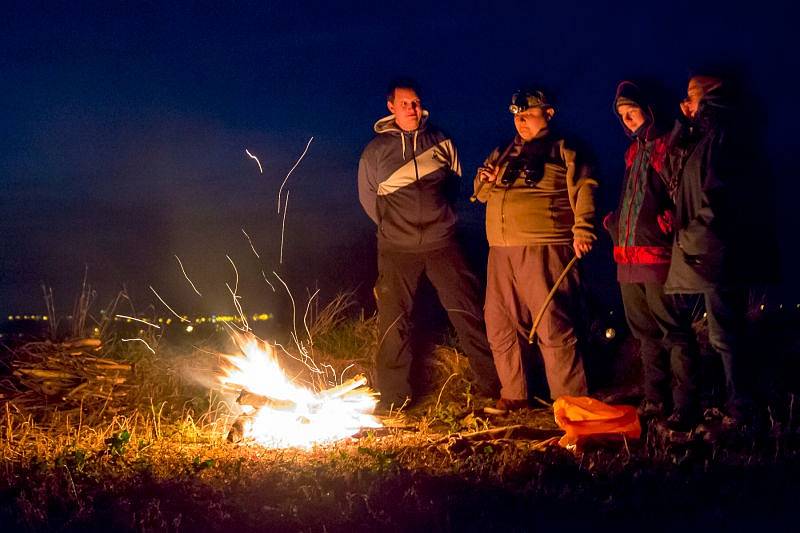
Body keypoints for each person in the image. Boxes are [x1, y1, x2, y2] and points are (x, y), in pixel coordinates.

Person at [357, 79, 499, 409]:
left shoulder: (442, 142)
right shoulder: (375, 152)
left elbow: (455, 186)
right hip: (396, 248)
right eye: (405, 103)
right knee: (393, 322)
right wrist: (394, 228)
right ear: (390, 107)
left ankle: (495, 388)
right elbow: (368, 200)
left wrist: (441, 219)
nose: (412, 108)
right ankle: (394, 400)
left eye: (416, 102)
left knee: (467, 311)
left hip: (442, 242)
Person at [473, 89, 597, 414]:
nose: (521, 120)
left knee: (552, 323)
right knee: (499, 322)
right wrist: (485, 179)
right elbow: (481, 194)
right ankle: (514, 394)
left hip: (544, 245)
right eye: (517, 115)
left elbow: (585, 187)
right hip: (500, 251)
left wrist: (583, 228)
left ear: (549, 113)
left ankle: (571, 402)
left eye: (528, 114)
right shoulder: (504, 152)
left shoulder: (564, 149)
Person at [604, 81, 700, 430]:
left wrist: (671, 219)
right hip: (627, 255)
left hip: (657, 255)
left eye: (632, 112)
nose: (627, 120)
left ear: (650, 109)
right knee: (644, 332)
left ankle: (686, 404)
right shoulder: (635, 151)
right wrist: (616, 224)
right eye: (622, 115)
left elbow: (682, 192)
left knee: (673, 331)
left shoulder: (667, 145)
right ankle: (655, 399)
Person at [663, 75, 751, 428]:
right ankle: (735, 405)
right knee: (721, 333)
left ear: (712, 97)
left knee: (727, 333)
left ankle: (744, 412)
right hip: (709, 250)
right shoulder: (706, 137)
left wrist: (691, 236)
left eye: (691, 96)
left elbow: (720, 199)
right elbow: (676, 169)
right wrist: (685, 126)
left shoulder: (725, 137)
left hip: (720, 252)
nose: (685, 104)